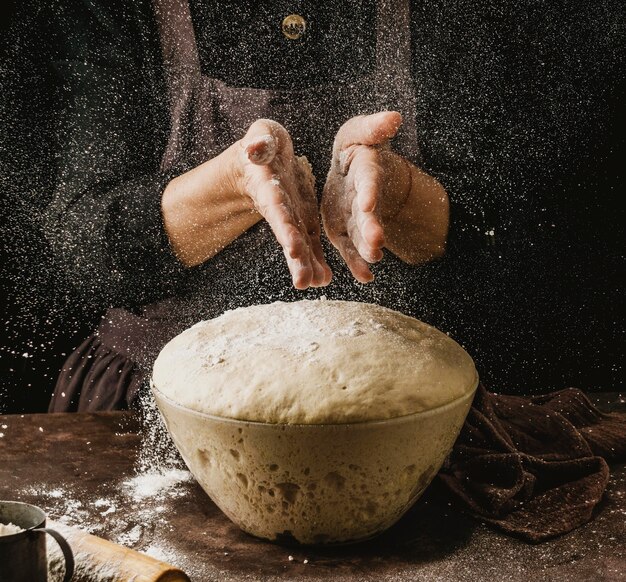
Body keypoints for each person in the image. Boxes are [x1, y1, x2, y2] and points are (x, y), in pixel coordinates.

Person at [1, 0, 623, 413]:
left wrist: (399, 196)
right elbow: (77, 246)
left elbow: (541, 233)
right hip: (151, 404)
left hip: (417, 410)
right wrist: (234, 186)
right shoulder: (112, 14)